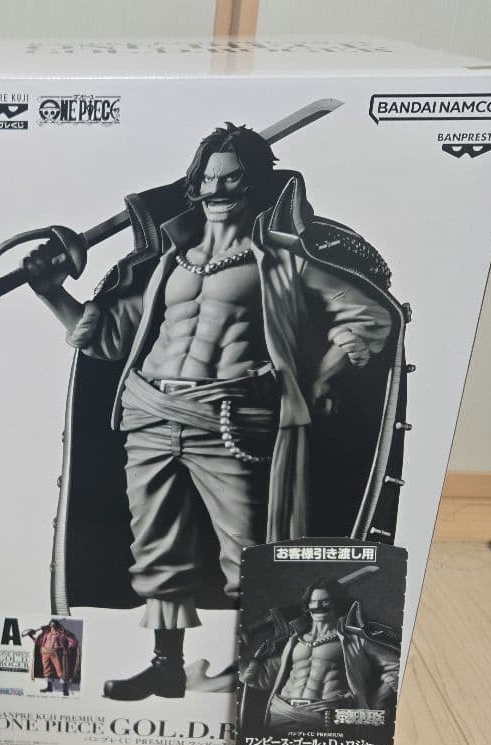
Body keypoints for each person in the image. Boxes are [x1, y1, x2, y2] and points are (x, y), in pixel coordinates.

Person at [20, 124, 403, 700]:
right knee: (158, 551)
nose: (217, 189)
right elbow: (104, 340)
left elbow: (372, 316)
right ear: (194, 185)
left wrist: (318, 378)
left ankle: (259, 672)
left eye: (232, 178)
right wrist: (49, 290)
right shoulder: (168, 264)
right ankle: (166, 665)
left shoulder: (282, 261)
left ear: (255, 184)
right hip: (149, 414)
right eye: (208, 178)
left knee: (249, 555)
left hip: (229, 421)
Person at [240, 579, 400, 729]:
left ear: (336, 603)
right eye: (313, 602)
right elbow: (260, 678)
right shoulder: (292, 642)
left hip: (327, 717)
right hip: (281, 713)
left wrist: (378, 698)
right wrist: (236, 646)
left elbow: (398, 667)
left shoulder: (355, 640)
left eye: (325, 601)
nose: (317, 606)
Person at [24, 619, 80, 695]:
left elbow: (74, 641)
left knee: (62, 671)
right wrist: (30, 636)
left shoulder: (62, 633)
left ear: (57, 626)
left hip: (56, 653)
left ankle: (65, 689)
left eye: (54, 625)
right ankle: (49, 687)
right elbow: (38, 642)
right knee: (47, 670)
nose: (52, 627)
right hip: (45, 652)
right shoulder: (46, 633)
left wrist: (67, 648)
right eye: (51, 625)